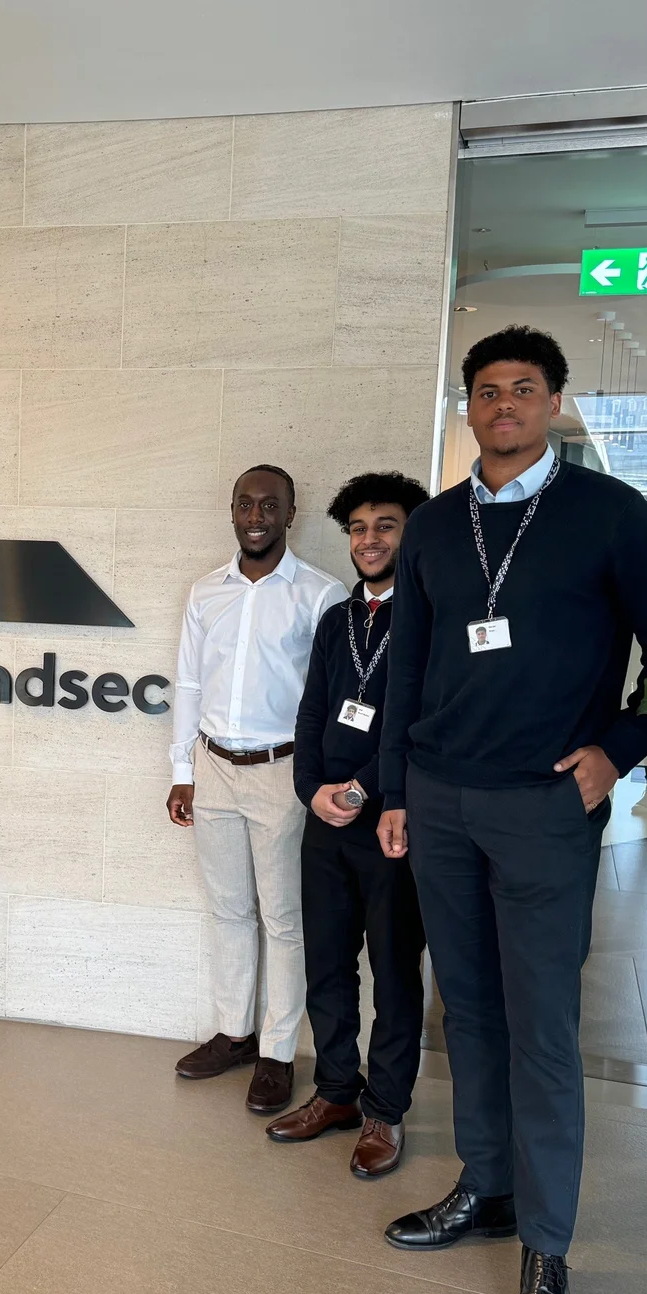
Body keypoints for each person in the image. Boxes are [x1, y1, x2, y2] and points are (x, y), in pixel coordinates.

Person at [375, 326, 647, 1294]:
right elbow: (404, 674)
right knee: (465, 1006)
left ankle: (548, 1244)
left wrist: (618, 749)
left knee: (543, 1026)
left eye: (523, 389)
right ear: (466, 407)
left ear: (556, 402)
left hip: (546, 807)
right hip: (440, 799)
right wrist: (395, 788)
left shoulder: (610, 515)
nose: (503, 405)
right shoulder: (433, 528)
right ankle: (488, 1186)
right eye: (485, 390)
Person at [264, 472, 429, 1181]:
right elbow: (311, 711)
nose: (369, 540)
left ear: (409, 533)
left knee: (393, 973)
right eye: (358, 528)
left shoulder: (431, 616)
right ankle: (335, 1092)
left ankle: (384, 1111)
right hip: (326, 820)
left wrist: (364, 787)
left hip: (391, 822)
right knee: (326, 965)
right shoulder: (338, 617)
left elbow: (421, 722)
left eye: (385, 525)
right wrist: (311, 791)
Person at [169, 466, 345, 1115]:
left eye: (270, 504)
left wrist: (321, 781)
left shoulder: (322, 596)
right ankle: (235, 1034)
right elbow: (188, 683)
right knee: (228, 910)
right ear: (232, 509)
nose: (256, 514)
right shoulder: (204, 592)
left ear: (291, 513)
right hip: (212, 765)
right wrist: (181, 772)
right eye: (246, 502)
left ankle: (277, 1052)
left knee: (284, 919)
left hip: (283, 770)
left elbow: (331, 698)